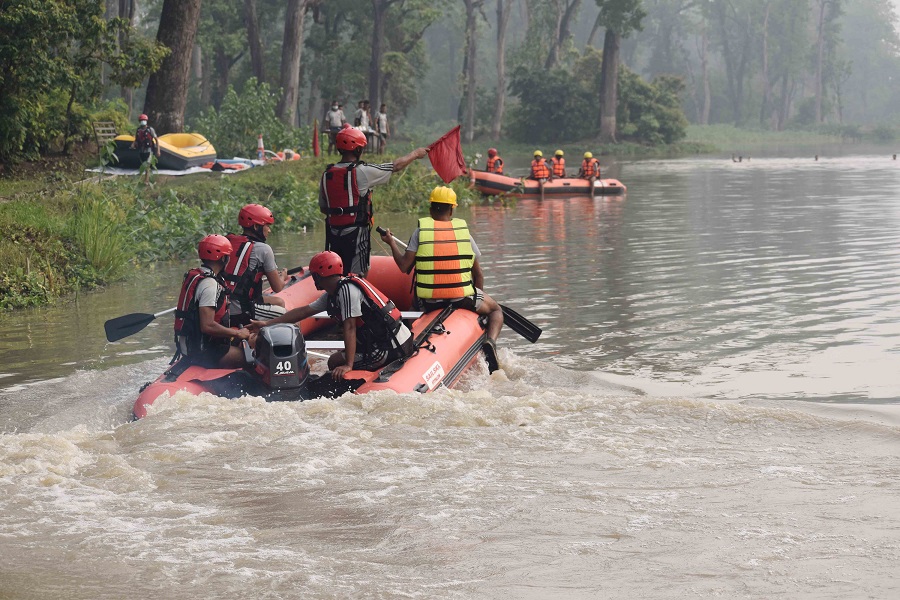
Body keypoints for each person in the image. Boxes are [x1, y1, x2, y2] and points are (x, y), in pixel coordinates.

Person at [379, 186, 504, 372]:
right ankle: (490, 342)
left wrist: (391, 243)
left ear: (430, 209)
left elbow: (404, 267)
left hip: (429, 302)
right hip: (461, 298)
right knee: (496, 311)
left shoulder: (419, 233)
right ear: (452, 209)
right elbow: (478, 274)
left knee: (412, 308)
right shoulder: (464, 234)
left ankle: (409, 343)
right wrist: (477, 301)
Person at [249, 251, 413, 380]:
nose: (313, 280)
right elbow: (304, 311)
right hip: (385, 341)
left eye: (314, 276)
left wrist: (348, 365)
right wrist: (266, 324)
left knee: (335, 361)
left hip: (391, 347)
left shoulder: (347, 291)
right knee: (335, 359)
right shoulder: (333, 293)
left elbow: (350, 328)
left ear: (319, 276)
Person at [319, 123, 428, 277]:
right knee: (358, 276)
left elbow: (324, 207)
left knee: (339, 273)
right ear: (358, 149)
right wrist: (416, 154)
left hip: (333, 234)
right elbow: (395, 167)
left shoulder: (326, 174)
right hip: (356, 234)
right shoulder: (362, 172)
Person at [174, 235, 251, 368]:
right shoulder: (210, 284)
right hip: (202, 351)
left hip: (191, 345)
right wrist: (237, 333)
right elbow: (207, 325)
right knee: (253, 358)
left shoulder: (197, 275)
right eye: (228, 256)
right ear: (223, 258)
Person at [224, 203, 290, 327]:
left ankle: (257, 334)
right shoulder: (263, 249)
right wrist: (283, 276)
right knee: (286, 316)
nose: (269, 230)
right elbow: (277, 287)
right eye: (267, 226)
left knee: (279, 301)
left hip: (223, 303)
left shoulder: (229, 242)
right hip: (241, 308)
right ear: (256, 226)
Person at [130, 114, 160, 182]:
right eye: (141, 120)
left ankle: (146, 181)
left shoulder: (150, 130)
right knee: (142, 165)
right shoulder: (138, 130)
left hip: (149, 150)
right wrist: (133, 144)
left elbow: (156, 139)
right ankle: (143, 179)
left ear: (146, 121)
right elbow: (136, 139)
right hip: (141, 150)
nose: (142, 122)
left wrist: (158, 150)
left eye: (144, 120)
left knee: (147, 165)